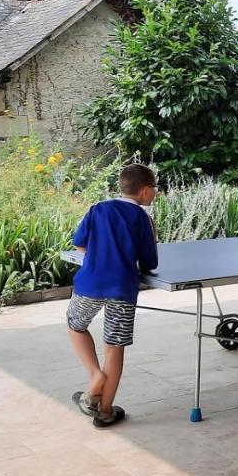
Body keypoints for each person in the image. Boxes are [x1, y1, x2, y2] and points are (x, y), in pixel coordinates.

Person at [66, 163, 159, 428]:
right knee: (114, 347)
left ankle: (96, 378)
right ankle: (105, 411)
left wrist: (98, 256)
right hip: (122, 289)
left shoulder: (97, 209)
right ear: (144, 190)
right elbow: (149, 262)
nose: (155, 194)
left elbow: (78, 242)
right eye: (154, 190)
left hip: (89, 284)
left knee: (75, 325)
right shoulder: (143, 219)